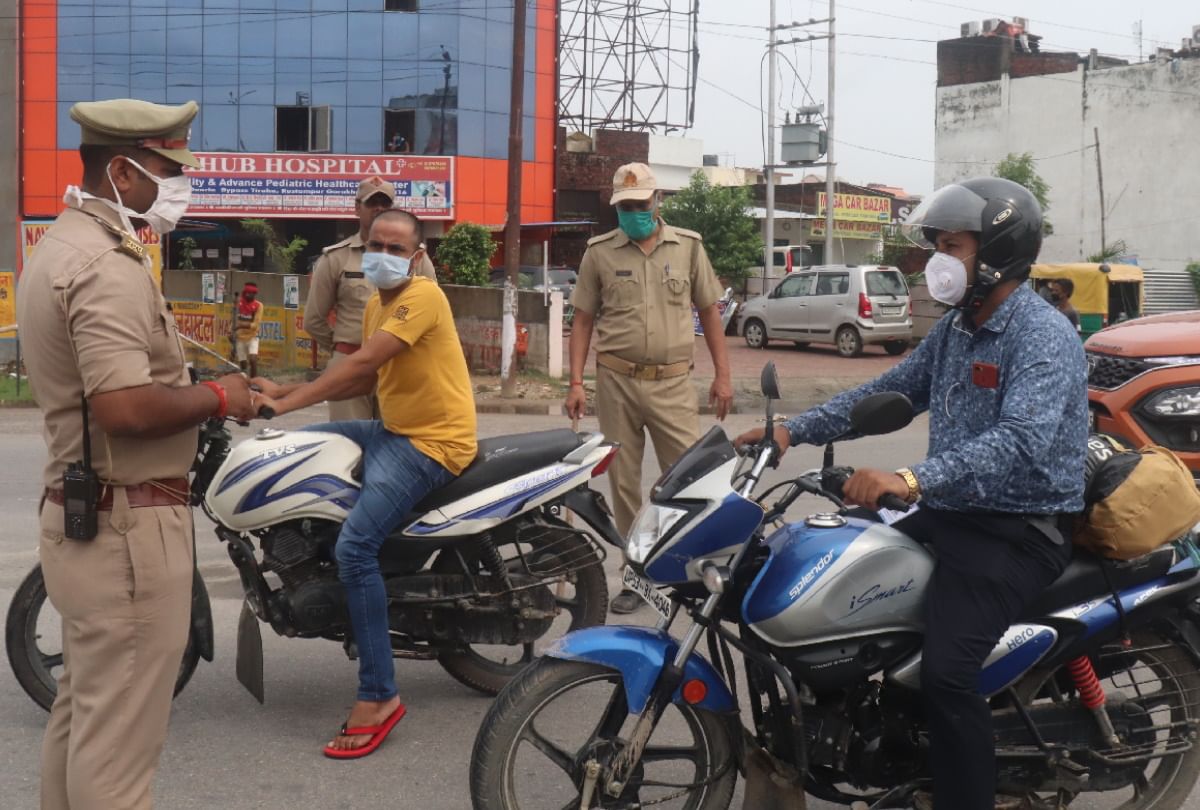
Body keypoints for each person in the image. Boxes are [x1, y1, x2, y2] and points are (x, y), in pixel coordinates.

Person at [736, 177, 1087, 810]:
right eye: (937, 247)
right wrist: (790, 430)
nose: (938, 262)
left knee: (948, 676)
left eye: (953, 247)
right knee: (839, 584)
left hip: (1019, 528)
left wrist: (909, 480)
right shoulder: (958, 328)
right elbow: (889, 395)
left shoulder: (1041, 334)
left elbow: (1021, 441)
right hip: (951, 512)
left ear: (998, 253)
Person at [16, 98, 257, 810]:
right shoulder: (106, 266)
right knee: (118, 757)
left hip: (88, 516)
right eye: (165, 169)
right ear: (122, 172)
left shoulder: (62, 246)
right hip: (126, 531)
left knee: (86, 716)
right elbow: (124, 408)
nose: (178, 185)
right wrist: (221, 398)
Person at [253, 209, 476, 760]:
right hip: (393, 430)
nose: (384, 254)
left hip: (432, 443)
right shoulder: (379, 301)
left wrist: (281, 404)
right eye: (376, 244)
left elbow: (361, 368)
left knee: (357, 548)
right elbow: (355, 364)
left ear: (417, 255)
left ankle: (379, 695)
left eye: (396, 247)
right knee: (297, 450)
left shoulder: (422, 296)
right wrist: (282, 390)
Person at [566, 162, 733, 615]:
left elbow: (710, 311)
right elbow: (582, 320)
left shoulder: (688, 248)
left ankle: (687, 567)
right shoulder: (599, 253)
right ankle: (635, 573)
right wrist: (576, 382)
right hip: (616, 380)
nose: (634, 213)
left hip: (673, 382)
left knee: (687, 479)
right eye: (625, 207)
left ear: (657, 202)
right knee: (624, 486)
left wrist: (723, 375)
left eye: (641, 205)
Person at [303, 176, 437, 421]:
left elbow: (431, 304)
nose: (379, 209)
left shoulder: (416, 257)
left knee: (396, 443)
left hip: (400, 365)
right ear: (357, 208)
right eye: (371, 203)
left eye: (385, 204)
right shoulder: (335, 258)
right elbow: (313, 319)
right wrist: (342, 349)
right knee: (350, 445)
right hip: (351, 362)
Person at [232, 281, 264, 377]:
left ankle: (254, 381)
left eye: (253, 293)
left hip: (252, 336)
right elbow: (234, 319)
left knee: (253, 359)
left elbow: (255, 324)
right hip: (239, 337)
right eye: (249, 293)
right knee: (243, 364)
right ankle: (245, 382)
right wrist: (230, 331)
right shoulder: (238, 303)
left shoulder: (259, 306)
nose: (251, 295)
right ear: (245, 293)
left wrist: (241, 325)